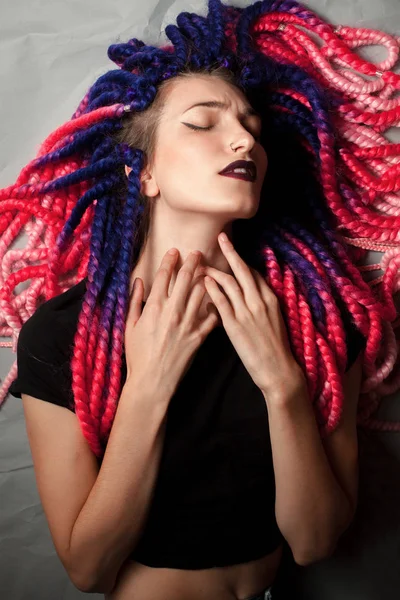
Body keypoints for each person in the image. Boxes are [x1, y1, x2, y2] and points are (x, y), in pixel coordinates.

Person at [2, 0, 399, 598]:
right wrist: (148, 389)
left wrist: (283, 386)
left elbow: (314, 542)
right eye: (202, 123)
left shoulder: (314, 321)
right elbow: (88, 569)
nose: (243, 140)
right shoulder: (63, 336)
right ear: (147, 173)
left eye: (252, 128)